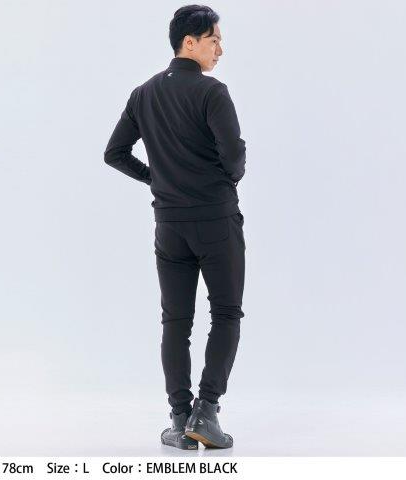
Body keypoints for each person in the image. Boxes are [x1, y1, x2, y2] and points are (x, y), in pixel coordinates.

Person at [104, 5, 246, 450]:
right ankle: (207, 412)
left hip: (169, 224)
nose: (220, 49)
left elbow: (114, 153)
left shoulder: (143, 94)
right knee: (226, 313)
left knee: (176, 321)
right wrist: (228, 176)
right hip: (216, 218)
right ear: (190, 41)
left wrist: (158, 179)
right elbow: (234, 157)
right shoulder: (212, 92)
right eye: (214, 40)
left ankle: (180, 418)